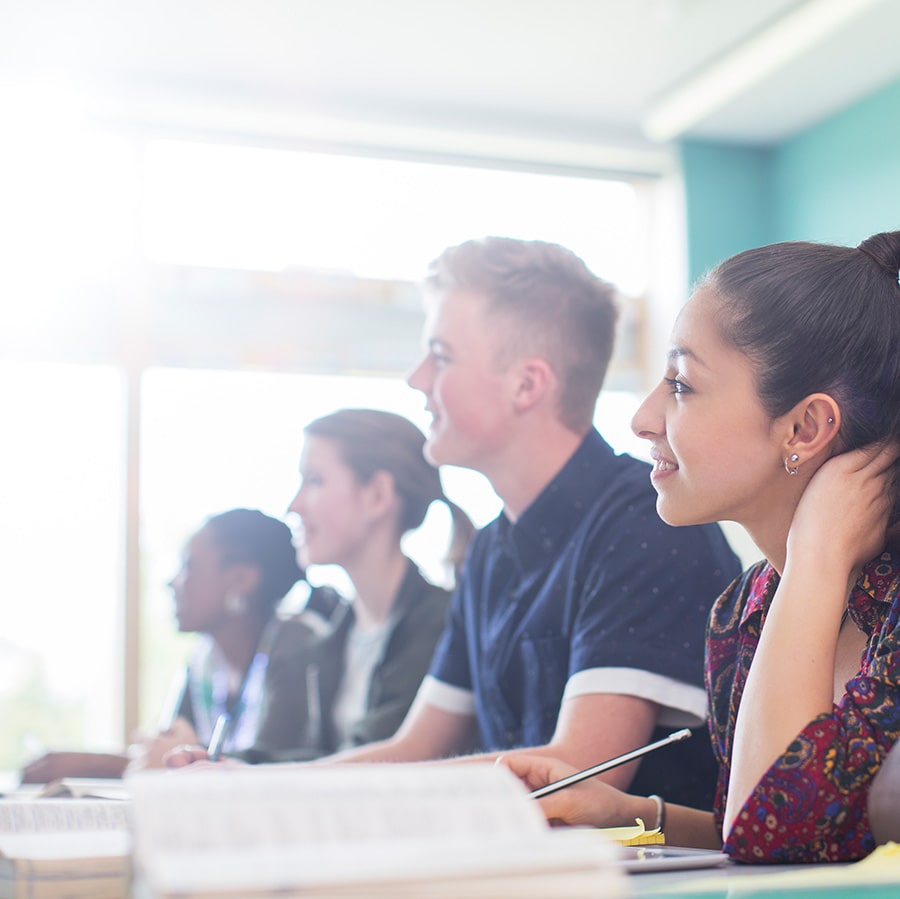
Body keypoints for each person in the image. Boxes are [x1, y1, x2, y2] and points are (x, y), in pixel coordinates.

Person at [282, 236, 742, 811]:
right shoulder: (491, 548)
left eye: (441, 356)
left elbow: (573, 772)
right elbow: (417, 747)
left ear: (527, 384)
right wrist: (251, 787)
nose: (416, 379)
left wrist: (277, 790)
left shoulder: (646, 520)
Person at [505, 230, 900, 864]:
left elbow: (783, 835)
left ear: (804, 427)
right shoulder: (743, 610)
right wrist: (633, 814)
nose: (643, 418)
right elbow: (758, 821)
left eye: (681, 385)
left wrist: (818, 556)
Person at [167, 408, 474, 765]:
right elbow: (321, 756)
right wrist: (213, 761)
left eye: (314, 481)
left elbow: (375, 759)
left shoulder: (438, 624)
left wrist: (242, 772)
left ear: (377, 496)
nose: (293, 506)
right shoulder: (331, 639)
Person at [21, 507, 325, 781]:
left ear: (240, 579)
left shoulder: (296, 644)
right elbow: (169, 749)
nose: (173, 583)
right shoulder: (204, 660)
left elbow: (269, 763)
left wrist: (96, 764)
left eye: (189, 567)